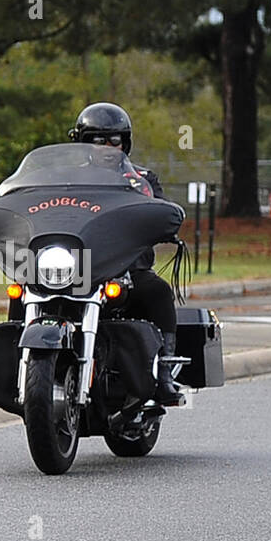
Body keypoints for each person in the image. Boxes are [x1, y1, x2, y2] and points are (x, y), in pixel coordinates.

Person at [69, 102, 183, 405]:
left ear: (125, 143)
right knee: (22, 291)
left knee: (158, 291)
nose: (106, 147)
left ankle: (165, 373)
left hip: (127, 270)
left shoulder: (141, 180)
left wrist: (166, 224)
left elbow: (161, 209)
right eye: (97, 140)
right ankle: (18, 361)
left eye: (114, 140)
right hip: (76, 269)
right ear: (83, 143)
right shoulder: (64, 179)